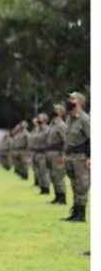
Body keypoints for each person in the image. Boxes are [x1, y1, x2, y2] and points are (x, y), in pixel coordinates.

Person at [60, 92, 90, 222]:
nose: (69, 100)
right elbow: (68, 139)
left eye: (72, 98)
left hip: (81, 157)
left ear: (80, 102)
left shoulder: (85, 119)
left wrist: (90, 158)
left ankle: (81, 214)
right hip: (70, 156)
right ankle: (75, 212)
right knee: (74, 185)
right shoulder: (69, 118)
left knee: (81, 186)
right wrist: (64, 155)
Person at [46, 104, 68, 205]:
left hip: (57, 154)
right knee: (53, 176)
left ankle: (62, 198)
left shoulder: (62, 126)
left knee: (59, 176)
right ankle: (57, 196)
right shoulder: (52, 125)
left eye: (56, 109)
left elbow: (66, 142)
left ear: (61, 113)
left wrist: (63, 156)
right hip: (50, 153)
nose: (54, 110)